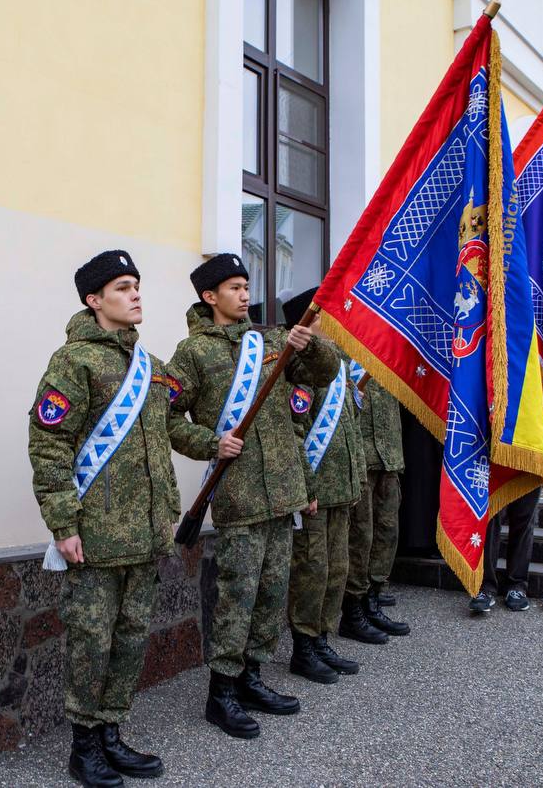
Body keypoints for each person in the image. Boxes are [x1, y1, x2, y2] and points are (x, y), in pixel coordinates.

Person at [167, 255, 336, 739]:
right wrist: (208, 444)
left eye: (246, 286)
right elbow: (168, 416)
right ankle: (222, 692)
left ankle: (252, 678)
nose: (245, 295)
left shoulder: (270, 341)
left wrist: (310, 346)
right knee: (238, 596)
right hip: (239, 496)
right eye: (235, 287)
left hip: (282, 491)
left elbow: (320, 374)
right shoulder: (192, 353)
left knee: (270, 593)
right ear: (209, 296)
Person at [28, 250, 179, 787]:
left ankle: (113, 731)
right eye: (121, 287)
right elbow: (49, 447)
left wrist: (215, 442)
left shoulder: (152, 368)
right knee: (91, 640)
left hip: (146, 532)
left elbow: (170, 433)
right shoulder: (73, 363)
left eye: (136, 284)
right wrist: (63, 525)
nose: (135, 294)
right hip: (94, 536)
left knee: (132, 635)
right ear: (94, 301)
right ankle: (83, 744)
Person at [280, 289, 372, 684]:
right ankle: (304, 646)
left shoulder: (337, 365)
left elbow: (349, 429)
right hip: (316, 491)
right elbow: (296, 432)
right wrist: (306, 486)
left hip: (342, 488)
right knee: (311, 569)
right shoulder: (302, 369)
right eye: (324, 317)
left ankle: (322, 638)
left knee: (337, 568)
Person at [470, 427, 543, 613]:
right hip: (495, 442)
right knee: (489, 516)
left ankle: (517, 586)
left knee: (523, 518)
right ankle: (485, 587)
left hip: (533, 441)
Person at [341, 368, 410, 644]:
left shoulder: (384, 344)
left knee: (387, 530)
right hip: (360, 455)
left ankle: (373, 599)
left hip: (389, 450)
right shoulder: (342, 349)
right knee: (361, 536)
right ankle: (353, 611)